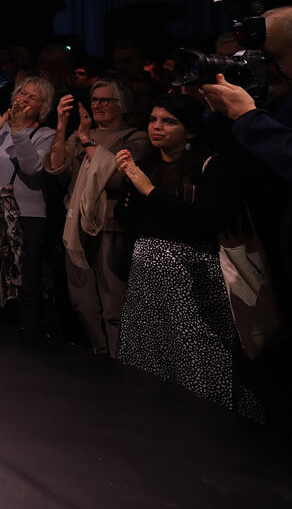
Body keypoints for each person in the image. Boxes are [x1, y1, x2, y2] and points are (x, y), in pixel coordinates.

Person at [114, 95, 264, 419]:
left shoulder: (211, 165)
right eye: (153, 119)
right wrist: (130, 180)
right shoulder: (149, 163)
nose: (157, 127)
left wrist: (149, 190)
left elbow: (203, 222)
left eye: (169, 121)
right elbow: (127, 219)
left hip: (191, 275)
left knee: (195, 356)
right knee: (146, 356)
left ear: (191, 131)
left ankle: (204, 427)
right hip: (147, 276)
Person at [46, 78, 147, 356]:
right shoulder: (80, 134)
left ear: (122, 105)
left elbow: (117, 177)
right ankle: (100, 355)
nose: (98, 105)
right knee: (82, 303)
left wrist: (87, 140)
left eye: (106, 100)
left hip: (111, 227)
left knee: (113, 302)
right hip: (75, 227)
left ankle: (119, 358)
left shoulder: (134, 137)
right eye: (95, 100)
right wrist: (61, 125)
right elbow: (56, 169)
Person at [0, 77, 56, 329]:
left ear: (44, 107)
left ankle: (25, 347)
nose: (24, 99)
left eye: (32, 97)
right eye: (22, 93)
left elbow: (32, 168)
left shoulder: (46, 134)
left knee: (24, 285)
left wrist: (18, 132)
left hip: (25, 218)